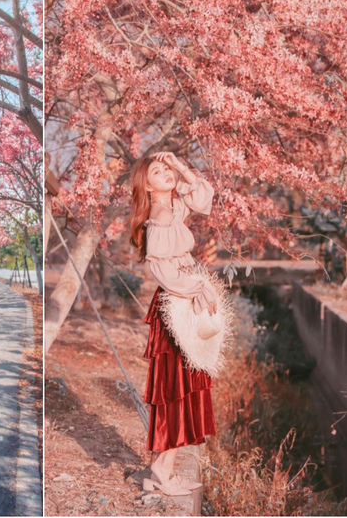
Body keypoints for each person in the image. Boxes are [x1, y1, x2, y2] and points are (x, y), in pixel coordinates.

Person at [127, 151, 219, 496]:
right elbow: (163, 272)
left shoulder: (174, 207)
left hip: (184, 300)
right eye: (158, 171)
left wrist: (181, 166)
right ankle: (161, 472)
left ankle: (164, 468)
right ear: (146, 185)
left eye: (167, 169)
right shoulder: (161, 216)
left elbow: (203, 199)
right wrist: (198, 288)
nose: (165, 173)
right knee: (175, 390)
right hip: (176, 304)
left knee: (184, 387)